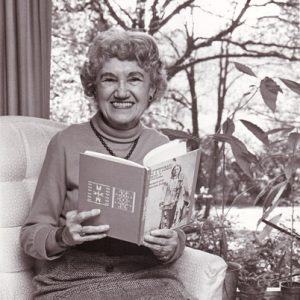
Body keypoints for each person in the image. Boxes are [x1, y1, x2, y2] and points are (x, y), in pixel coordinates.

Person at [21, 28, 195, 300]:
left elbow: (175, 231)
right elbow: (32, 234)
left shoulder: (163, 148)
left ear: (151, 89)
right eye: (109, 79)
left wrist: (172, 244)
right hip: (74, 278)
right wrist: (63, 236)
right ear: (94, 87)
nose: (122, 92)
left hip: (146, 275)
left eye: (134, 79)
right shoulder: (65, 143)